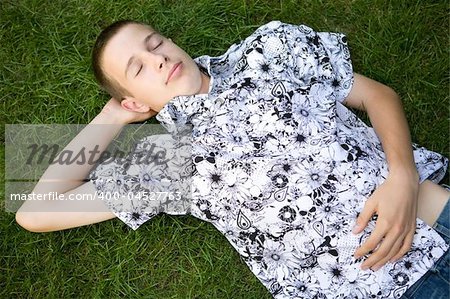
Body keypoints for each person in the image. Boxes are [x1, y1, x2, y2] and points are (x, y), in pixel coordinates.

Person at [15, 20, 449, 298]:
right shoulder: (165, 161)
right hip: (384, 290)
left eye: (155, 42)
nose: (159, 57)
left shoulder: (265, 52)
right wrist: (112, 116)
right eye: (138, 68)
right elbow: (36, 211)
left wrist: (403, 176)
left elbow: (377, 96)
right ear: (132, 102)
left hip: (435, 215)